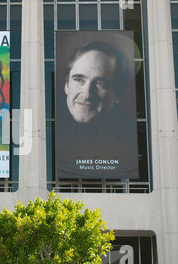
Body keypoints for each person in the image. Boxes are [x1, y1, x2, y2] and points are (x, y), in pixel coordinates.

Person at [56, 40, 138, 179]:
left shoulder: (129, 141)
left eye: (100, 83)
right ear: (66, 85)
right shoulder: (50, 129)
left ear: (118, 93)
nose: (87, 94)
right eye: (79, 79)